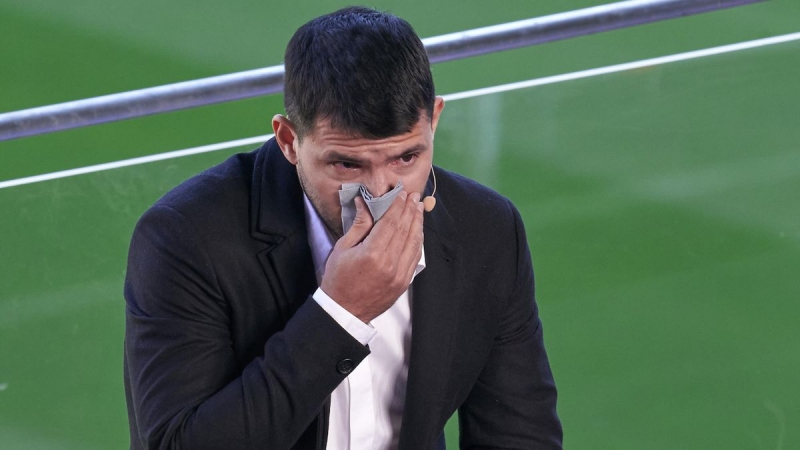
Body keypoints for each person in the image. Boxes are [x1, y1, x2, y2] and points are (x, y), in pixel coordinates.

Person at [124, 6, 562, 450]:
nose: (379, 194)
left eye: (406, 158)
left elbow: (521, 436)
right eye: (348, 165)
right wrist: (340, 313)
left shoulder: (486, 228)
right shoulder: (185, 237)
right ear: (289, 141)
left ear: (434, 120)